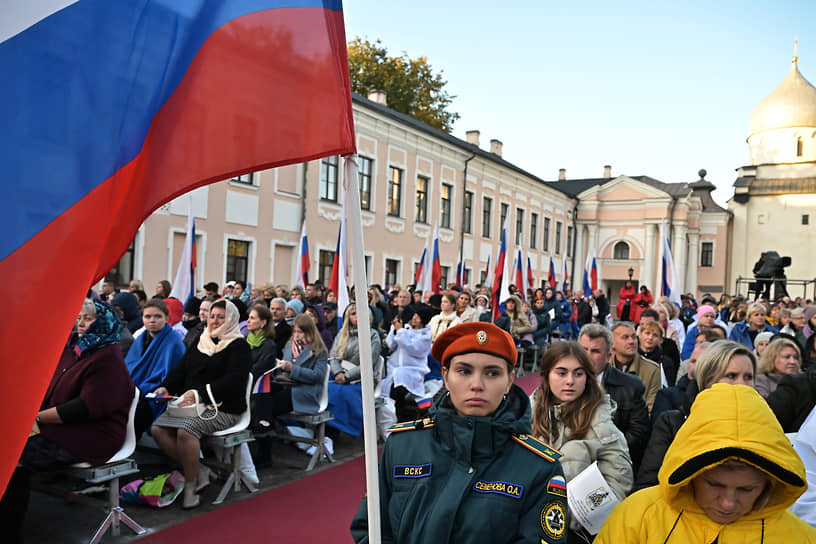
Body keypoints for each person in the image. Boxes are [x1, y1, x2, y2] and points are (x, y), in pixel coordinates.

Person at [350, 322, 569, 543]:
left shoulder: (538, 468)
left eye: (492, 373)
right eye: (464, 371)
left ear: (509, 381)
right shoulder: (402, 446)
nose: (476, 384)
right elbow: (371, 530)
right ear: (445, 376)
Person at [596, 384, 816, 543]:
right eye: (715, 485)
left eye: (747, 489)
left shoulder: (800, 538)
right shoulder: (638, 516)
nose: (728, 503)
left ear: (770, 482)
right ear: (691, 475)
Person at [0, 300, 135, 542]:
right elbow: (48, 388)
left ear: (103, 322)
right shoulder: (75, 349)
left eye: (88, 319)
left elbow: (84, 408)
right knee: (8, 443)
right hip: (62, 425)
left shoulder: (108, 357)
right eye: (79, 317)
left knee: (14, 457)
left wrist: (34, 418)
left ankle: (9, 532)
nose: (81, 323)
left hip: (93, 434)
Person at [151, 299, 252, 509]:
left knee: (186, 431)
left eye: (220, 317)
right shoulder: (201, 338)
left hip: (223, 407)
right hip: (193, 405)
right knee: (158, 429)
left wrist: (200, 394)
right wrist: (166, 388)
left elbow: (234, 380)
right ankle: (200, 471)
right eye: (212, 316)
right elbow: (182, 368)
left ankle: (190, 485)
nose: (214, 321)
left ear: (231, 319)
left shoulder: (239, 345)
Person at [531, 342, 633, 541]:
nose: (570, 381)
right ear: (546, 375)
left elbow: (618, 485)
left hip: (573, 533)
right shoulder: (525, 416)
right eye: (561, 373)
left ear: (587, 377)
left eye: (578, 374)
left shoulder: (602, 424)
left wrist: (568, 517)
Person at [634, 340, 757, 491]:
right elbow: (648, 486)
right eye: (731, 376)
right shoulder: (672, 423)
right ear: (707, 380)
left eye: (748, 377)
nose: (742, 384)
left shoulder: (762, 425)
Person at [578, 324, 651, 473]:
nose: (587, 356)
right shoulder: (561, 384)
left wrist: (599, 451)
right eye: (583, 350)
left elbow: (638, 435)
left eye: (595, 351)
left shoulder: (631, 387)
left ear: (608, 356)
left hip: (611, 466)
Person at [125, 299, 186, 438]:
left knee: (138, 411)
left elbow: (173, 376)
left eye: (158, 316)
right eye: (148, 316)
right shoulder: (140, 338)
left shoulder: (174, 341)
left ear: (167, 318)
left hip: (158, 396)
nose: (152, 320)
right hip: (134, 390)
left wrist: (146, 389)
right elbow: (130, 367)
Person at [253, 313, 329, 423]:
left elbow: (318, 376)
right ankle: (267, 429)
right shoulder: (289, 346)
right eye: (295, 331)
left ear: (310, 332)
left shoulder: (319, 350)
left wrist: (292, 369)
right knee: (261, 389)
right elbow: (283, 374)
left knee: (268, 405)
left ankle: (267, 430)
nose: (296, 335)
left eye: (300, 332)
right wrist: (278, 367)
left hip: (304, 390)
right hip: (286, 384)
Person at [326, 304, 383, 437]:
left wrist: (347, 376)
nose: (357, 316)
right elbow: (333, 356)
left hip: (362, 378)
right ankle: (323, 432)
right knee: (324, 389)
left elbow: (368, 363)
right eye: (353, 314)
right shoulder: (342, 333)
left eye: (360, 313)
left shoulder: (373, 335)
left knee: (340, 393)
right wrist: (338, 373)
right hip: (338, 375)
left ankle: (332, 434)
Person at [382, 305, 434, 422]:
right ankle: (394, 418)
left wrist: (400, 331)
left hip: (412, 371)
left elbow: (412, 348)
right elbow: (391, 344)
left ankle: (402, 419)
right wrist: (395, 330)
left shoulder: (425, 336)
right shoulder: (405, 330)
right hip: (394, 369)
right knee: (390, 392)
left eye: (418, 317)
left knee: (399, 391)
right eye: (414, 316)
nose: (414, 319)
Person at [610, 322, 661, 413]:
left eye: (634, 337)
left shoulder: (652, 370)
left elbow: (651, 409)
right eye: (625, 337)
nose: (631, 341)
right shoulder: (603, 366)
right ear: (612, 343)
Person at [246, 304, 278, 378]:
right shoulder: (244, 340)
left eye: (252, 318)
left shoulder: (269, 346)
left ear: (263, 323)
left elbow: (258, 370)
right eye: (248, 317)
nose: (248, 321)